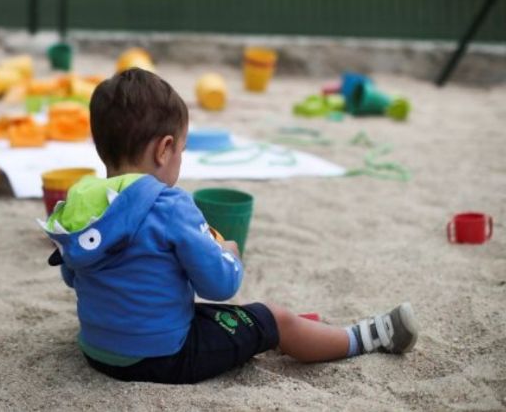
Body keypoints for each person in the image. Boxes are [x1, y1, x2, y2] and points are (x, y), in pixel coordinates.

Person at [39, 68, 419, 384]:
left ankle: (302, 332)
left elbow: (74, 277)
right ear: (164, 149)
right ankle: (364, 338)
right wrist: (228, 254)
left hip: (98, 352)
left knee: (211, 315)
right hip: (164, 358)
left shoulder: (80, 203)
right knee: (275, 319)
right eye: (182, 152)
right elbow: (220, 286)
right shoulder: (170, 205)